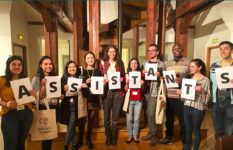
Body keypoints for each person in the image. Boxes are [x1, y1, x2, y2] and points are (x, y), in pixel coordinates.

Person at [160, 43, 189, 149]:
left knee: (182, 119)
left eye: (179, 48)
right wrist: (162, 78)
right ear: (172, 51)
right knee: (169, 119)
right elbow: (165, 77)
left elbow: (193, 78)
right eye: (174, 48)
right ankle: (168, 137)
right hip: (169, 95)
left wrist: (183, 81)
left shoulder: (188, 63)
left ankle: (185, 141)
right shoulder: (167, 64)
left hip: (181, 96)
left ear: (182, 50)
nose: (177, 50)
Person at [0, 56, 33, 150]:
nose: (17, 67)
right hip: (9, 114)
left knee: (21, 144)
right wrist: (6, 104)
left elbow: (27, 98)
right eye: (13, 64)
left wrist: (33, 95)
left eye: (19, 65)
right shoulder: (2, 80)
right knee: (10, 145)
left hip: (26, 113)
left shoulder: (24, 79)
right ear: (8, 66)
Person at [177, 59, 211, 150]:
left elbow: (207, 100)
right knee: (188, 130)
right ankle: (187, 148)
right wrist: (181, 93)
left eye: (192, 66)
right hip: (187, 107)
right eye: (190, 66)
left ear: (199, 67)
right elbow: (184, 97)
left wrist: (202, 91)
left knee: (196, 131)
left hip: (198, 109)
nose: (190, 68)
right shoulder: (188, 79)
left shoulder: (205, 80)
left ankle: (196, 148)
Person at [31, 56, 63, 150]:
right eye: (45, 64)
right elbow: (36, 97)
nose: (48, 66)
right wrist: (44, 86)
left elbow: (56, 93)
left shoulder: (55, 78)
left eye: (50, 64)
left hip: (55, 107)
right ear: (41, 65)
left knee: (51, 133)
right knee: (45, 135)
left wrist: (59, 96)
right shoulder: (36, 79)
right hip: (44, 107)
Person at [99, 45, 125, 145]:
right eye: (110, 52)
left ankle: (113, 137)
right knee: (106, 117)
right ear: (107, 53)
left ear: (116, 53)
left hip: (118, 91)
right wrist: (103, 80)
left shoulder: (120, 63)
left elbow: (123, 74)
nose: (112, 53)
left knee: (115, 117)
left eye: (114, 52)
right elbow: (100, 76)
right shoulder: (103, 64)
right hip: (107, 91)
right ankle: (108, 137)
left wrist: (122, 79)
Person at [140, 44, 166, 146]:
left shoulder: (161, 64)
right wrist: (142, 73)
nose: (150, 52)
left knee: (151, 114)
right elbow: (141, 77)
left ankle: (155, 135)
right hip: (145, 91)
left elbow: (166, 78)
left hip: (155, 92)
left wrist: (160, 76)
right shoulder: (145, 63)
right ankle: (151, 132)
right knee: (147, 113)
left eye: (153, 50)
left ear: (157, 52)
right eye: (149, 50)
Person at [210, 41, 233, 138]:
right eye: (221, 49)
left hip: (231, 103)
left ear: (232, 51)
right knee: (218, 131)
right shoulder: (214, 66)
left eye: (226, 48)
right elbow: (211, 83)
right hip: (216, 102)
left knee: (229, 132)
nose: (222, 51)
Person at [80, 51, 102, 149]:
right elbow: (78, 85)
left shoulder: (98, 72)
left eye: (92, 58)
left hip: (94, 99)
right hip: (84, 98)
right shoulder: (81, 71)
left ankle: (88, 139)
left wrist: (103, 82)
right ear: (85, 60)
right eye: (88, 58)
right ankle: (80, 140)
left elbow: (100, 85)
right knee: (82, 120)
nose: (90, 60)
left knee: (91, 120)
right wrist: (85, 81)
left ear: (94, 60)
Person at [60, 61, 81, 150]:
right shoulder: (63, 79)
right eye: (70, 67)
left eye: (74, 67)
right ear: (67, 69)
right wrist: (63, 89)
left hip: (77, 105)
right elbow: (59, 93)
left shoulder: (80, 78)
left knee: (71, 124)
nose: (72, 69)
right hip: (67, 106)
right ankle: (73, 143)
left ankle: (67, 144)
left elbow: (83, 93)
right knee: (70, 125)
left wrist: (84, 86)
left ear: (76, 68)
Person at [124, 58, 144, 144]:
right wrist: (127, 83)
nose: (133, 65)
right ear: (129, 65)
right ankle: (129, 135)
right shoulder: (127, 75)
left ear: (138, 65)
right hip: (129, 99)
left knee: (137, 118)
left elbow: (143, 89)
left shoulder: (142, 75)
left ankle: (135, 135)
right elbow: (125, 89)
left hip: (139, 99)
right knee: (129, 118)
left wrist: (142, 84)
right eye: (131, 63)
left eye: (135, 63)